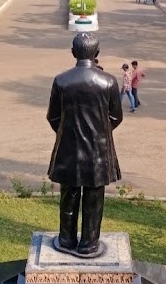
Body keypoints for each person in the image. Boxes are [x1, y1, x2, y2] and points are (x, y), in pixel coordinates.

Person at [46, 33, 124, 257]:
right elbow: (116, 117)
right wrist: (99, 133)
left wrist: (67, 133)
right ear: (97, 54)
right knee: (93, 200)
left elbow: (53, 117)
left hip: (68, 151)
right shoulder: (108, 81)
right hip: (98, 153)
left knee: (68, 197)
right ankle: (89, 243)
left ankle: (66, 239)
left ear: (73, 52)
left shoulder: (61, 80)